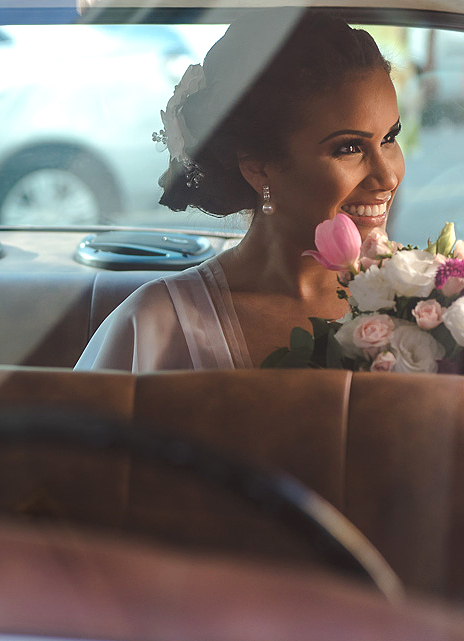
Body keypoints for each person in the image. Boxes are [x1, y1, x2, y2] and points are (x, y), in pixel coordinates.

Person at [75, 10, 404, 371]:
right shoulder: (159, 324)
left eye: (390, 138)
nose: (387, 178)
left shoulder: (432, 292)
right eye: (349, 148)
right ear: (257, 166)